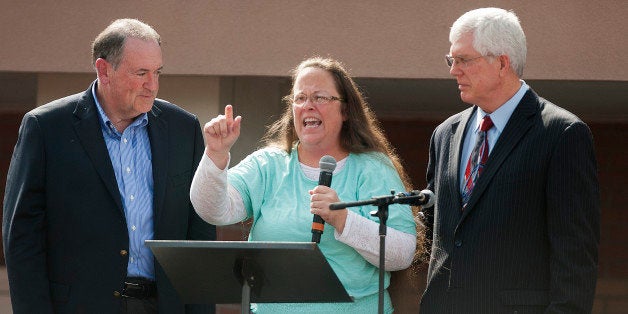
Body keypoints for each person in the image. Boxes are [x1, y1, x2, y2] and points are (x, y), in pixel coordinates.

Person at [2, 18, 216, 313]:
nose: (151, 85)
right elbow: (22, 237)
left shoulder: (184, 129)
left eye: (157, 72)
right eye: (141, 73)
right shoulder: (46, 128)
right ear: (104, 70)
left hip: (164, 305)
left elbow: (199, 231)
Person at [190, 57, 418, 313]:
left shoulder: (372, 167)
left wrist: (343, 219)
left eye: (320, 97)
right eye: (300, 98)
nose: (308, 106)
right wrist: (216, 154)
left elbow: (402, 253)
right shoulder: (268, 165)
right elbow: (213, 210)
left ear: (345, 110)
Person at [419, 7, 600, 314]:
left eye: (463, 60)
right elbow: (434, 228)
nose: (453, 70)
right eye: (452, 60)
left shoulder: (562, 133)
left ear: (501, 63)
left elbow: (576, 255)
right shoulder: (445, 134)